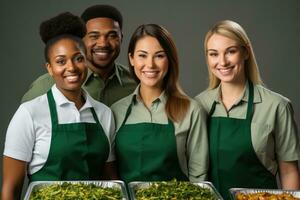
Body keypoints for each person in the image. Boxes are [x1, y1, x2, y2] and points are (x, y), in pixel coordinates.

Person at [2, 12, 118, 200]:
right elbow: (10, 189)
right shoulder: (30, 113)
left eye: (78, 58)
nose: (71, 67)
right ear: (49, 68)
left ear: (86, 61)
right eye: (61, 61)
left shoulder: (104, 113)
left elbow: (110, 180)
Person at [195, 20, 300, 199]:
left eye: (231, 51)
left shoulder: (276, 106)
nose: (222, 61)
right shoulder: (198, 105)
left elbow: (289, 172)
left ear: (246, 52)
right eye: (214, 54)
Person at [111, 24, 208, 183]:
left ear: (170, 60)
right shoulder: (116, 111)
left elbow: (199, 177)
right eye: (142, 55)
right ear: (131, 59)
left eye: (159, 56)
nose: (150, 65)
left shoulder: (191, 110)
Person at [21, 5, 136, 106]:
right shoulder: (45, 86)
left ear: (121, 38)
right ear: (81, 40)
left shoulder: (136, 81)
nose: (103, 43)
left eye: (112, 36)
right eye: (94, 36)